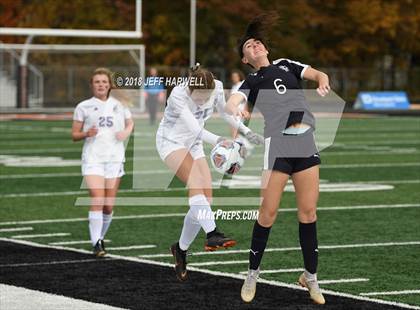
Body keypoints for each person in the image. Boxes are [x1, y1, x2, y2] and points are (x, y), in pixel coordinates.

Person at [225, 14, 331, 305]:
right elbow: (232, 102)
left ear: (266, 47)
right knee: (267, 214)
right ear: (245, 59)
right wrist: (240, 109)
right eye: (248, 45)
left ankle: (310, 277)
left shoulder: (287, 65)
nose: (254, 45)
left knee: (308, 214)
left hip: (305, 143)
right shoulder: (252, 79)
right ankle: (252, 274)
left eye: (257, 41)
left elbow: (318, 74)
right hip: (278, 147)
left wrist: (322, 80)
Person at [156, 64, 263, 282]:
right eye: (199, 97)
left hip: (193, 143)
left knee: (206, 198)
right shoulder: (178, 94)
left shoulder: (217, 87)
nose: (203, 101)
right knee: (195, 182)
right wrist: (222, 141)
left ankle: (180, 249)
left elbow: (226, 114)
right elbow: (196, 128)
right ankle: (212, 234)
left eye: (206, 97)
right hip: (171, 141)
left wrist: (246, 132)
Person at [72, 67, 134, 257]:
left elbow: (130, 123)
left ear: (109, 85)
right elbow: (74, 134)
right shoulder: (83, 106)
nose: (101, 85)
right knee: (97, 199)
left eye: (104, 82)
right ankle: (97, 243)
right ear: (92, 85)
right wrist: (85, 134)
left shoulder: (120, 105)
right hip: (93, 159)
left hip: (115, 159)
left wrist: (126, 132)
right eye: (97, 82)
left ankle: (100, 237)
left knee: (108, 206)